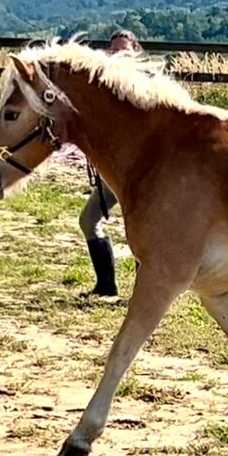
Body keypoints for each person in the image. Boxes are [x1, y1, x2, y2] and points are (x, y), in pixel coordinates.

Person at [79, 30, 143, 296]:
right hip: (112, 171)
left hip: (141, 173)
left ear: (136, 52)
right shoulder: (104, 90)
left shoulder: (145, 88)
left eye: (124, 51)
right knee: (88, 220)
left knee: (141, 231)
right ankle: (106, 285)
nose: (118, 56)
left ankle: (145, 292)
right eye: (114, 51)